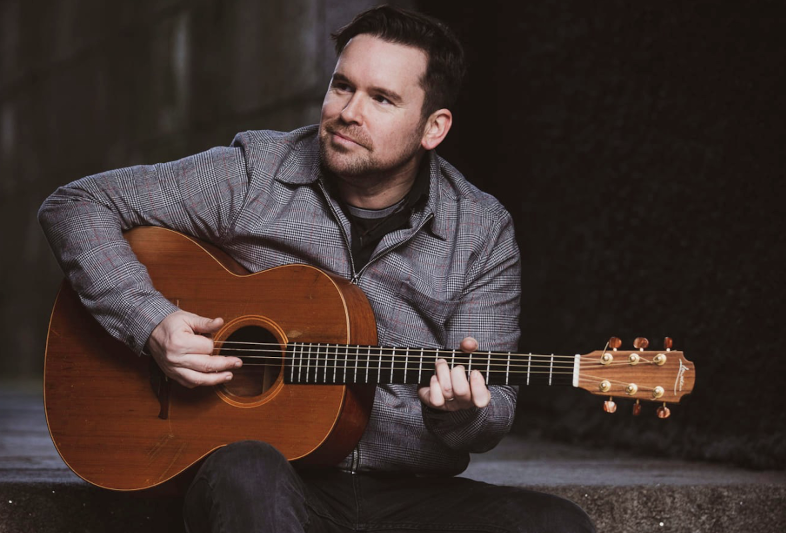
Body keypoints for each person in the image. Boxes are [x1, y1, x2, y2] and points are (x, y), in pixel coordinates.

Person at [39, 5, 594, 533]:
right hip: (276, 484)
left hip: (411, 493)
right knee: (248, 470)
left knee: (559, 524)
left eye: (381, 98)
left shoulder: (481, 230)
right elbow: (77, 204)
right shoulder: (255, 175)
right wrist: (151, 322)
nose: (349, 111)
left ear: (433, 127)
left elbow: (492, 414)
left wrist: (458, 413)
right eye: (342, 85)